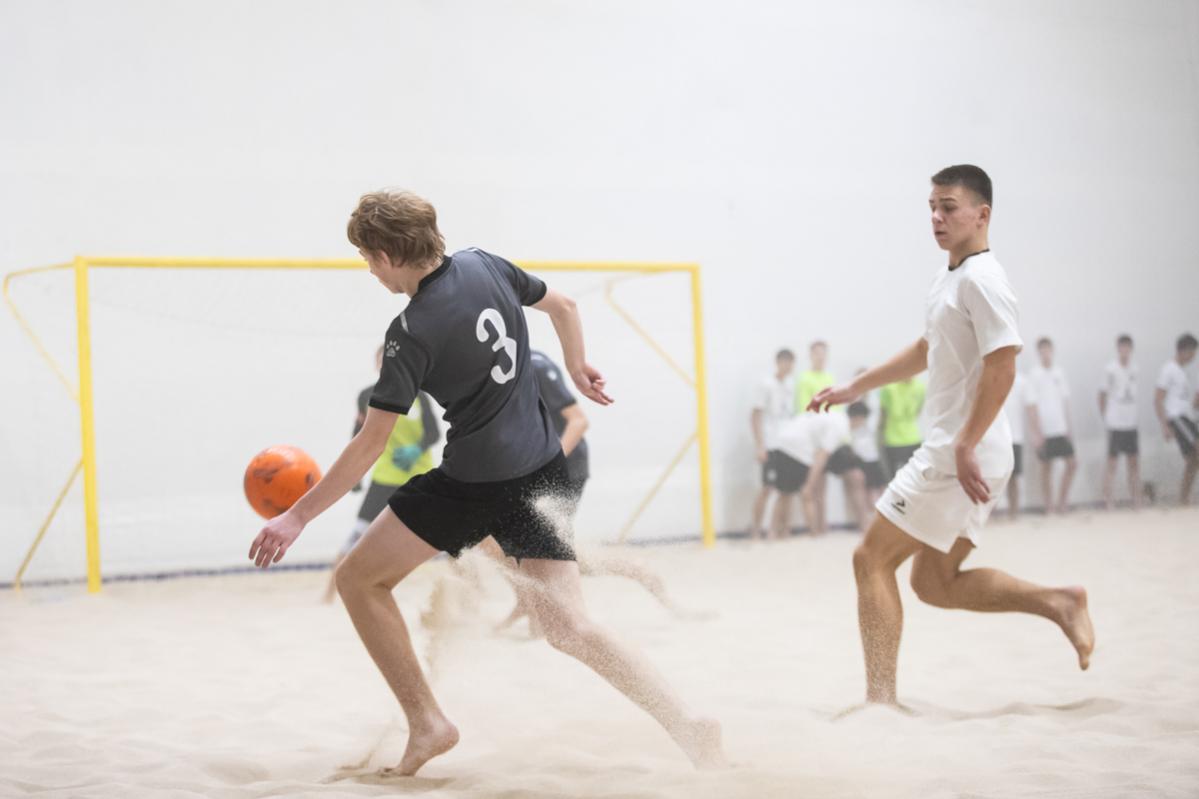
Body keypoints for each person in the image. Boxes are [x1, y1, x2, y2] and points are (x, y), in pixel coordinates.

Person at [248, 190, 724, 775]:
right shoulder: (484, 263)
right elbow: (565, 305)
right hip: (542, 468)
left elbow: (371, 443)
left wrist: (296, 516)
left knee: (358, 580)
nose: (370, 271)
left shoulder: (410, 332)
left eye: (368, 259)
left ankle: (428, 722)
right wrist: (577, 366)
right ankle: (687, 723)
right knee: (572, 627)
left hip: (474, 483)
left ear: (388, 254)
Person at [809, 165, 1093, 708]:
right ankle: (1061, 602)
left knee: (870, 559)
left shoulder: (984, 281)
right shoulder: (951, 278)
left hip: (960, 451)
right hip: (970, 450)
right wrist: (855, 387)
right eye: (932, 208)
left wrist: (964, 443)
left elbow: (1003, 367)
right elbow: (926, 349)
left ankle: (880, 703)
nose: (937, 218)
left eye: (949, 207)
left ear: (982, 215)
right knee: (934, 584)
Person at [490, 350, 703, 628]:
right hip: (535, 471)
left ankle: (635, 573)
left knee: (548, 552)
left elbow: (578, 421)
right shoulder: (499, 371)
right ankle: (531, 606)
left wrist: (544, 465)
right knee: (513, 544)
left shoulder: (534, 365)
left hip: (563, 469)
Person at [322, 346, 441, 603]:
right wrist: (354, 474)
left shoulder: (420, 396)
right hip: (385, 476)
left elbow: (434, 433)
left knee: (446, 535)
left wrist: (416, 449)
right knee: (358, 534)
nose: (387, 364)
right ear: (377, 364)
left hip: (419, 478)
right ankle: (328, 595)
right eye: (382, 360)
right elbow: (358, 435)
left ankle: (466, 593)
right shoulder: (367, 396)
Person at [773, 411, 867, 535]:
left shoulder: (836, 418)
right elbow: (822, 457)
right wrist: (809, 484)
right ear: (859, 418)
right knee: (803, 494)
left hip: (785, 442)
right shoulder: (840, 427)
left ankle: (779, 531)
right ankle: (812, 532)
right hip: (795, 448)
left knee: (786, 493)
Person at [750, 348, 796, 539]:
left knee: (786, 490)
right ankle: (755, 529)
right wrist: (760, 445)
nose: (788, 366)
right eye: (785, 362)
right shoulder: (766, 384)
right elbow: (755, 415)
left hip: (787, 445)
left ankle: (780, 530)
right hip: (770, 443)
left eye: (791, 363)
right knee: (767, 488)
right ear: (777, 362)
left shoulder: (790, 385)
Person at [1026, 338, 1076, 514]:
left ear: (1052, 351)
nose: (1045, 353)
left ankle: (1062, 502)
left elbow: (1065, 402)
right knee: (1046, 468)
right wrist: (1036, 432)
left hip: (1060, 428)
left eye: (1047, 350)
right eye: (1042, 351)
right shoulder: (1034, 375)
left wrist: (1069, 427)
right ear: (1038, 353)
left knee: (1072, 464)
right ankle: (1049, 506)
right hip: (1044, 430)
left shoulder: (1059, 373)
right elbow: (1031, 405)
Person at [1155, 333, 1199, 505]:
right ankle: (1183, 498)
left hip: (1187, 417)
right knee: (1196, 453)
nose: (1194, 357)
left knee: (1193, 459)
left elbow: (1187, 402)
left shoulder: (1182, 372)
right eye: (1193, 352)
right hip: (1177, 418)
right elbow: (1158, 398)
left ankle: (1183, 498)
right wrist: (1165, 425)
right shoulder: (1169, 369)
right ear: (1184, 350)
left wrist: (1195, 402)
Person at [1098, 334, 1142, 510]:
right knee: (1112, 462)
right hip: (1115, 423)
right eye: (1122, 347)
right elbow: (1101, 395)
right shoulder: (1110, 369)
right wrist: (1106, 416)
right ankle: (1108, 500)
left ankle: (1136, 499)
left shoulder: (1135, 369)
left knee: (1133, 462)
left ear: (1131, 349)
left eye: (1127, 347)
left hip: (1131, 422)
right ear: (1118, 349)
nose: (1125, 351)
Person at [878, 377, 925, 475]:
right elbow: (883, 416)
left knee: (913, 476)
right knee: (903, 476)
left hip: (911, 439)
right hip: (894, 440)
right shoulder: (888, 388)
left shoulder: (920, 387)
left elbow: (883, 416)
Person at [1002, 371, 1033, 519]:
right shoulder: (995, 376)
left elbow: (1031, 407)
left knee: (1014, 477)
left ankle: (1013, 512)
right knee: (993, 476)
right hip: (998, 438)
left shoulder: (1022, 382)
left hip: (1016, 437)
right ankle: (989, 514)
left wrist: (1035, 431)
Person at [848, 401, 887, 509]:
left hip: (874, 461)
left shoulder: (869, 427)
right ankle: (871, 513)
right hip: (861, 463)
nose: (859, 421)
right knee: (868, 493)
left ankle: (883, 511)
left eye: (861, 418)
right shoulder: (849, 431)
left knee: (881, 489)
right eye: (856, 419)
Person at [794, 340, 834, 416]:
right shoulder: (804, 378)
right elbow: (804, 408)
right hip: (811, 420)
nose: (820, 357)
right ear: (810, 355)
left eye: (823, 354)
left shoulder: (830, 378)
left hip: (832, 419)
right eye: (817, 354)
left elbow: (835, 405)